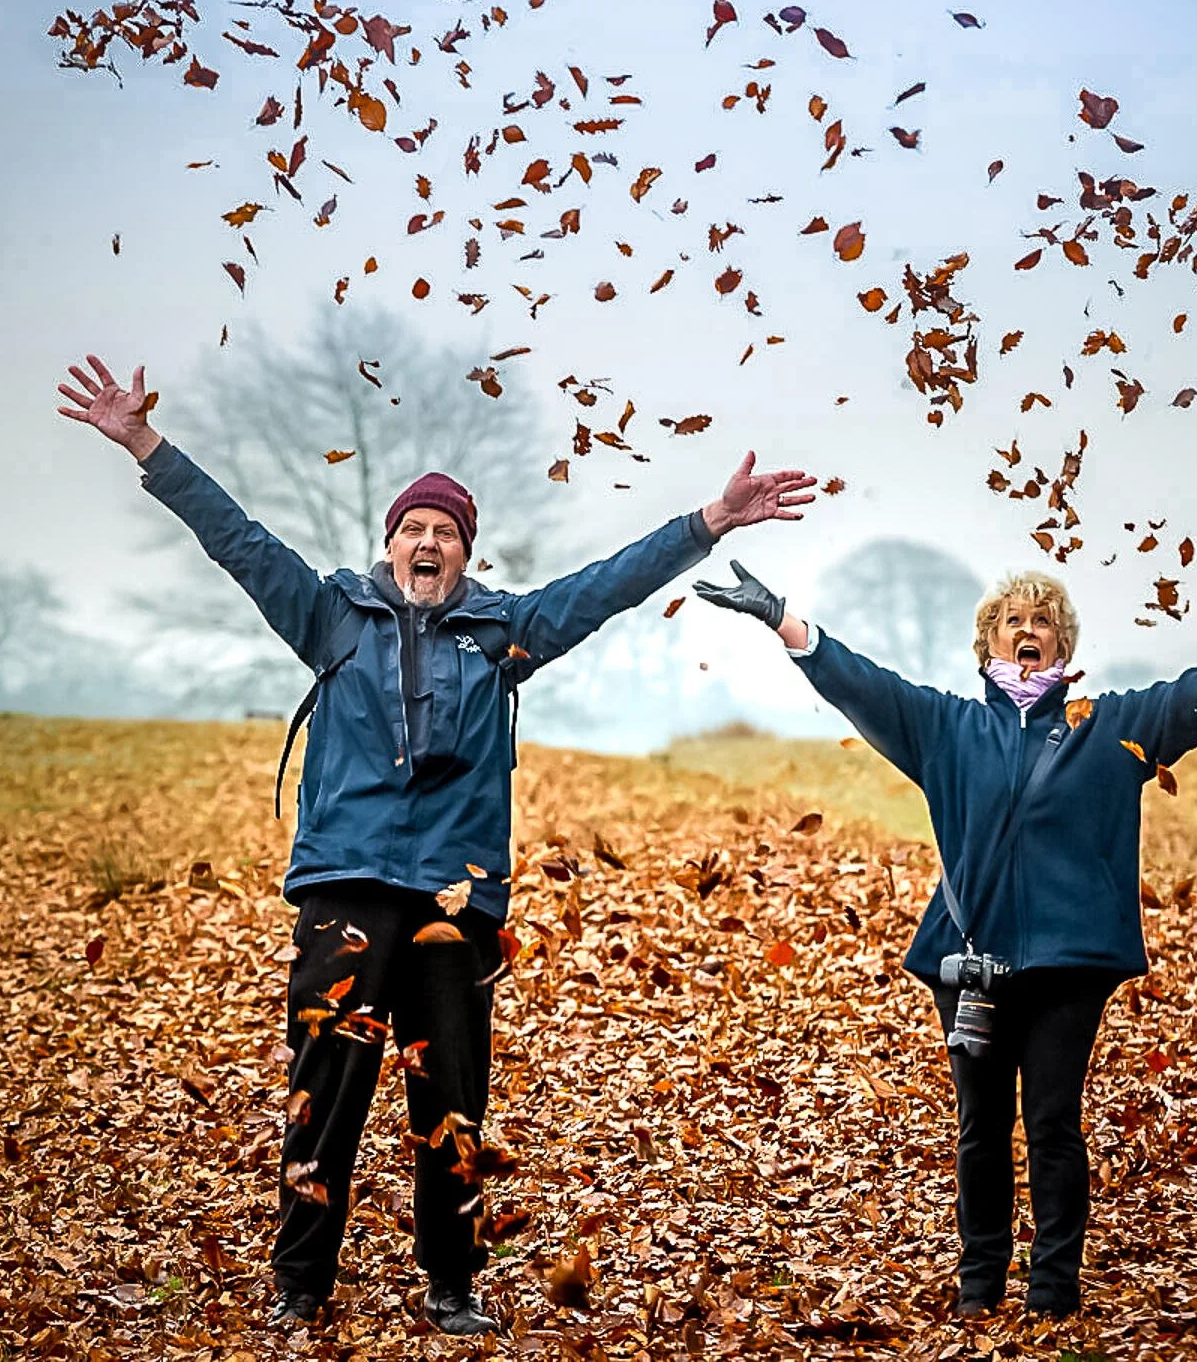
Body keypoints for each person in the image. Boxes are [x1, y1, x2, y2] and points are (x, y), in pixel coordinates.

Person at [56, 354, 816, 1336]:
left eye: (445, 533)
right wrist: (146, 445)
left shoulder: (504, 633)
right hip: (348, 888)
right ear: (391, 545)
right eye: (413, 528)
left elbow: (606, 588)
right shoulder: (331, 611)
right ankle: (301, 1285)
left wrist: (706, 522)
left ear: (464, 556)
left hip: (457, 903)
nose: (427, 543)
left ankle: (452, 1284)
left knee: (451, 1099)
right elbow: (235, 539)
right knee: (324, 1093)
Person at [693, 561, 1197, 1320]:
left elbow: (1195, 698)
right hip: (971, 966)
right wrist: (782, 618)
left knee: (1053, 1122)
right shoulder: (947, 728)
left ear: (1063, 646)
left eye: (1042, 621)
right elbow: (862, 684)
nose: (1028, 630)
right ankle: (979, 1287)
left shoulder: (1108, 727)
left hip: (1067, 967)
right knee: (981, 1129)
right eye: (1012, 621)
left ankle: (1054, 1291)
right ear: (987, 640)